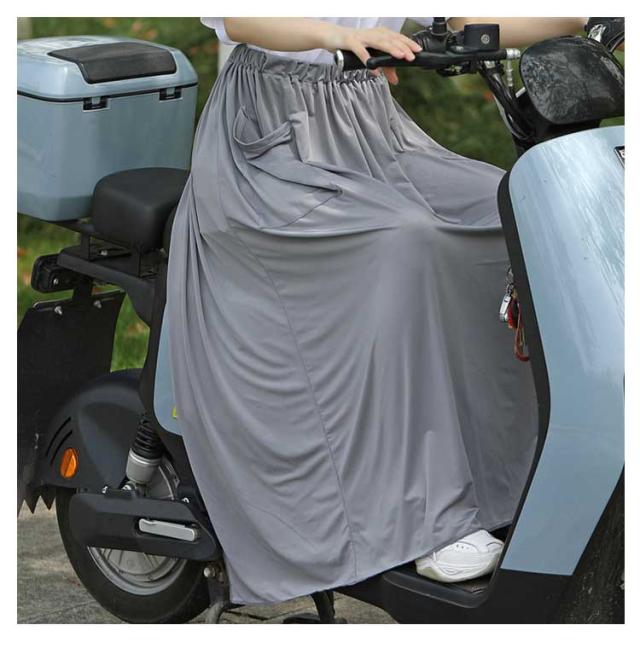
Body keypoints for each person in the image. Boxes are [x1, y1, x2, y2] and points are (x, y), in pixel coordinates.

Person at [167, 17, 585, 605]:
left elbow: (463, 19)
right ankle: (430, 518)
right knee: (406, 240)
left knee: (509, 208)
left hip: (368, 125)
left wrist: (589, 16)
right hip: (268, 142)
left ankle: (514, 479)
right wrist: (335, 37)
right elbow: (239, 19)